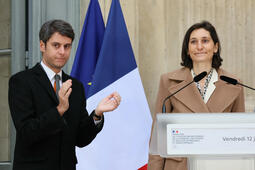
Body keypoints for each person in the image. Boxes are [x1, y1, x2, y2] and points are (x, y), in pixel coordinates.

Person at [8, 19, 121, 170]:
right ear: (42, 45)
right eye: (56, 45)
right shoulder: (21, 82)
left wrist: (97, 114)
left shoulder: (76, 86)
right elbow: (27, 132)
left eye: (67, 46)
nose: (62, 52)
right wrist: (59, 109)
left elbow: (80, 139)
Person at [147, 21, 245, 170]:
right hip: (180, 165)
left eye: (205, 41)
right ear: (187, 49)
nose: (199, 47)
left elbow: (240, 138)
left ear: (215, 47)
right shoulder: (168, 81)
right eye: (193, 42)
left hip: (219, 164)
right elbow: (158, 137)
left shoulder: (234, 83)